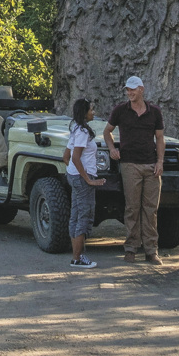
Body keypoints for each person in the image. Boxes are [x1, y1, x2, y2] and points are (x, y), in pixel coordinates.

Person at [103, 75, 165, 263]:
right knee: (132, 208)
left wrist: (160, 161)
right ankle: (131, 248)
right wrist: (112, 149)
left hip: (151, 164)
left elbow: (160, 138)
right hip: (129, 164)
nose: (129, 93)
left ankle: (151, 250)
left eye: (133, 89)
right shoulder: (120, 110)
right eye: (127, 90)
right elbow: (107, 131)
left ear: (141, 89)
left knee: (151, 209)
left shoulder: (154, 112)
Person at [63, 97, 105, 269]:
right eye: (91, 110)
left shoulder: (75, 129)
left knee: (75, 215)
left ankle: (76, 257)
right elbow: (75, 157)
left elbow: (66, 157)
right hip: (82, 179)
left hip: (74, 177)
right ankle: (78, 258)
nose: (93, 112)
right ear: (84, 112)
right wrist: (87, 179)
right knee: (84, 217)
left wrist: (73, 173)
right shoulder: (83, 132)